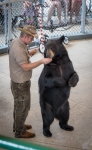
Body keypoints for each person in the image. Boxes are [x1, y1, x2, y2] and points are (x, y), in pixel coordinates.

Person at [9, 25, 52, 138]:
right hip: (20, 84)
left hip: (17, 81)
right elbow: (25, 67)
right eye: (31, 38)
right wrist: (42, 61)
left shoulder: (17, 42)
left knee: (19, 106)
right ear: (26, 36)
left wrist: (29, 53)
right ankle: (20, 132)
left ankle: (17, 125)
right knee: (23, 107)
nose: (33, 40)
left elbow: (19, 57)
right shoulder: (19, 49)